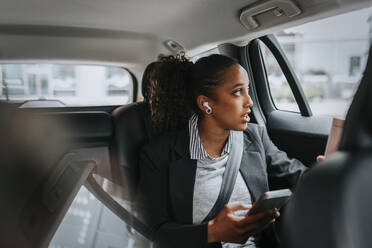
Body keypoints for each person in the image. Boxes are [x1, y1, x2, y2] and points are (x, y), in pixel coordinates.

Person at [136, 54, 308, 248]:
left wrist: (328, 172)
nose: (249, 101)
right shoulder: (158, 154)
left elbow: (298, 175)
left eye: (248, 90)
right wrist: (212, 232)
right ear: (206, 104)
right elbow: (153, 232)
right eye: (237, 92)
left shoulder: (255, 137)